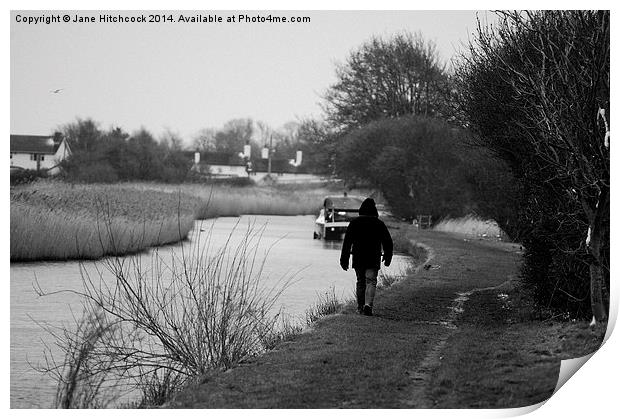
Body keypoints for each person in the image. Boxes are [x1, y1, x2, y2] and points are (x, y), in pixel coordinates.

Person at [340, 198, 393, 316]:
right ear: (374, 210)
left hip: (358, 257)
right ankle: (368, 305)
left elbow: (347, 243)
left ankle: (360, 307)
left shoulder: (354, 223)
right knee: (371, 281)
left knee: (360, 281)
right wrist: (388, 257)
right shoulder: (379, 224)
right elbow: (388, 242)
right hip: (373, 257)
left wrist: (344, 260)